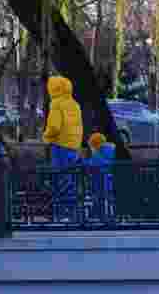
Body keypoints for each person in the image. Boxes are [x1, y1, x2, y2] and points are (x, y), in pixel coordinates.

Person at [42, 76, 84, 221]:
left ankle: (60, 215)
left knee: (59, 179)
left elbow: (54, 126)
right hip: (74, 146)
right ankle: (72, 213)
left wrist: (46, 137)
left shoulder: (56, 104)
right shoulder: (75, 105)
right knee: (71, 180)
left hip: (60, 145)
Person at [84, 132, 116, 221]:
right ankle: (109, 216)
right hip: (108, 182)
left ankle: (103, 217)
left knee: (101, 199)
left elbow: (91, 163)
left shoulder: (99, 154)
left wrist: (82, 160)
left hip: (101, 182)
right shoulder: (111, 149)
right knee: (108, 200)